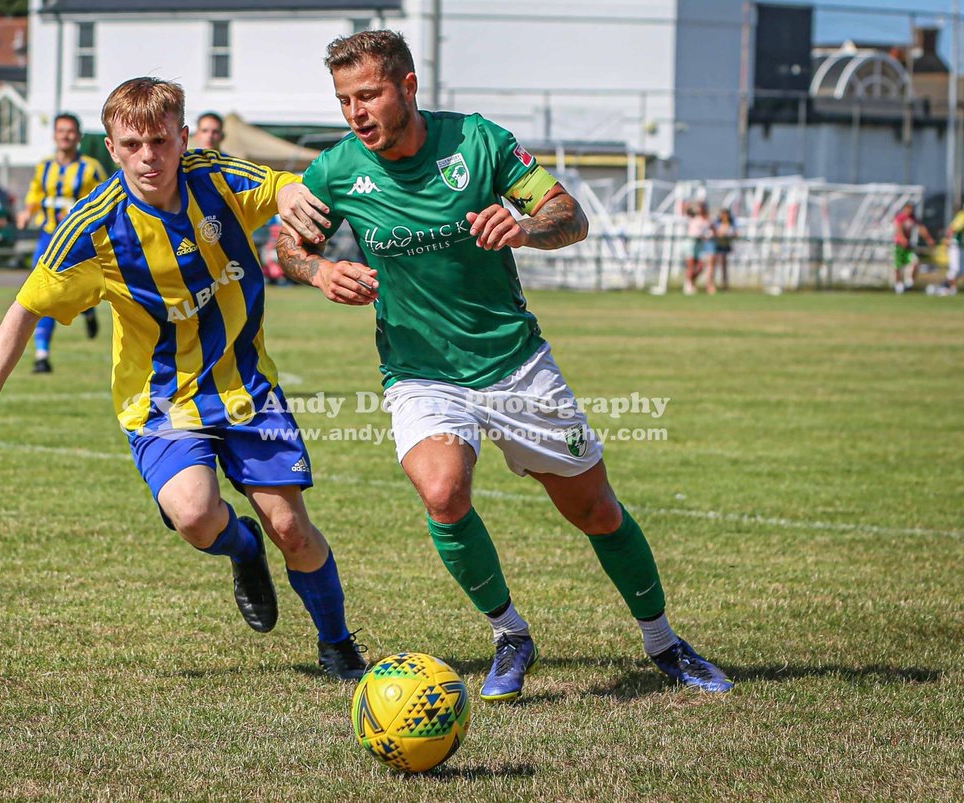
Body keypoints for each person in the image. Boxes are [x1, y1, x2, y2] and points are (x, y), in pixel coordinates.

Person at [275, 30, 732, 701]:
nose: (355, 113)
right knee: (442, 492)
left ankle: (665, 642)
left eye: (368, 95)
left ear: (407, 88)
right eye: (345, 100)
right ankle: (510, 635)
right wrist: (316, 270)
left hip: (514, 363)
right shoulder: (337, 169)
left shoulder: (478, 142)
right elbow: (288, 242)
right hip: (419, 371)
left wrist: (524, 227)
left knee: (595, 511)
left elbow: (566, 214)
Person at [0, 76, 367, 681]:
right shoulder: (92, 229)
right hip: (161, 402)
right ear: (112, 149)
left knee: (292, 528)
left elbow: (284, 187)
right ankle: (243, 550)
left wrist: (290, 200)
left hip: (247, 388)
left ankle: (336, 645)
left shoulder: (217, 178)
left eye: (160, 140)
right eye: (133, 144)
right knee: (198, 517)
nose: (149, 156)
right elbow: (22, 312)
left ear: (180, 135)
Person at [17, 113, 108, 372]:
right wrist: (27, 213)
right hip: (48, 237)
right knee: (40, 294)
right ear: (54, 135)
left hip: (78, 241)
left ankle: (87, 311)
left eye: (70, 131)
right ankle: (42, 355)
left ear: (78, 137)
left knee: (76, 291)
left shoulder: (90, 168)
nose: (65, 136)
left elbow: (104, 197)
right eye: (61, 131)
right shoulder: (44, 167)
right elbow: (35, 195)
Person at [893, 202, 935, 295]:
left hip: (908, 246)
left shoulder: (913, 218)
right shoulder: (900, 218)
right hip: (899, 245)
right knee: (898, 266)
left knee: (915, 262)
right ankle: (898, 285)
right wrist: (903, 239)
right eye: (908, 209)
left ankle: (909, 283)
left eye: (911, 209)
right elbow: (898, 230)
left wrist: (928, 239)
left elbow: (921, 228)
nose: (909, 211)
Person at [682, 202, 713, 295]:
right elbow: (686, 212)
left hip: (699, 245)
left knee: (701, 266)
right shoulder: (694, 217)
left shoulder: (706, 220)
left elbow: (710, 230)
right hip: (691, 243)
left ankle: (691, 282)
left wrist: (708, 235)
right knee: (691, 266)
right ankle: (689, 285)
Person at [708, 208, 736, 294]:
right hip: (715, 247)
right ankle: (711, 286)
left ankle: (724, 286)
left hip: (725, 247)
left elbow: (735, 232)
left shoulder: (731, 223)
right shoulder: (716, 222)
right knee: (713, 266)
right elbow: (713, 231)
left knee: (723, 267)